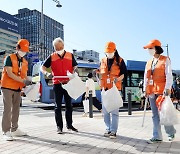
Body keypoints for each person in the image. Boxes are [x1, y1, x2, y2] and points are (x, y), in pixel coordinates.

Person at [40, 37, 78, 134]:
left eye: (60, 48)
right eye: (56, 48)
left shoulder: (70, 55)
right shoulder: (52, 56)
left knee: (69, 105)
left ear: (63, 46)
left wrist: (74, 72)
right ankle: (59, 127)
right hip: (57, 83)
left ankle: (69, 125)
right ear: (54, 48)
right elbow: (42, 67)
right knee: (58, 106)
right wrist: (46, 73)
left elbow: (75, 66)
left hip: (68, 83)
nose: (58, 50)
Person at [143, 39, 176, 143]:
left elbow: (169, 75)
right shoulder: (149, 62)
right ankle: (157, 136)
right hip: (151, 91)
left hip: (162, 91)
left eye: (150, 48)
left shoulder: (165, 60)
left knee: (164, 113)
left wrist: (167, 88)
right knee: (154, 114)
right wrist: (145, 89)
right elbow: (145, 77)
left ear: (157, 48)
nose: (149, 50)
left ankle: (170, 133)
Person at [1, 39, 32, 141]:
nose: (24, 52)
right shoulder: (9, 58)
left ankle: (14, 129)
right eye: (22, 49)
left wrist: (29, 83)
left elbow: (25, 76)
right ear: (17, 48)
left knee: (16, 110)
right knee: (7, 109)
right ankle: (6, 131)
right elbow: (9, 73)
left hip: (18, 88)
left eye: (25, 50)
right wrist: (23, 81)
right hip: (7, 87)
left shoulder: (25, 62)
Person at [97, 41, 127, 139]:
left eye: (110, 51)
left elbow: (123, 74)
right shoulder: (102, 60)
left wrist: (117, 79)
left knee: (114, 111)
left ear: (114, 51)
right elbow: (100, 72)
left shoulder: (120, 60)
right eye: (107, 52)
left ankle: (113, 131)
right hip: (104, 89)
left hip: (115, 89)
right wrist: (97, 74)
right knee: (105, 111)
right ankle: (108, 128)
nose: (108, 53)